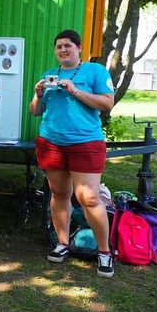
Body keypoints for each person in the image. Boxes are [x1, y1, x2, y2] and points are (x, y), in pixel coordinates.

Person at [29, 29, 115, 277]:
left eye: (67, 45)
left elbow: (107, 103)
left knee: (88, 197)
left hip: (85, 142)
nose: (63, 50)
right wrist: (38, 95)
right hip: (51, 142)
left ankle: (104, 252)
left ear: (79, 48)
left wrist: (75, 90)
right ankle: (62, 243)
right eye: (58, 46)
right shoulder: (48, 75)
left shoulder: (95, 71)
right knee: (59, 193)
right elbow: (35, 111)